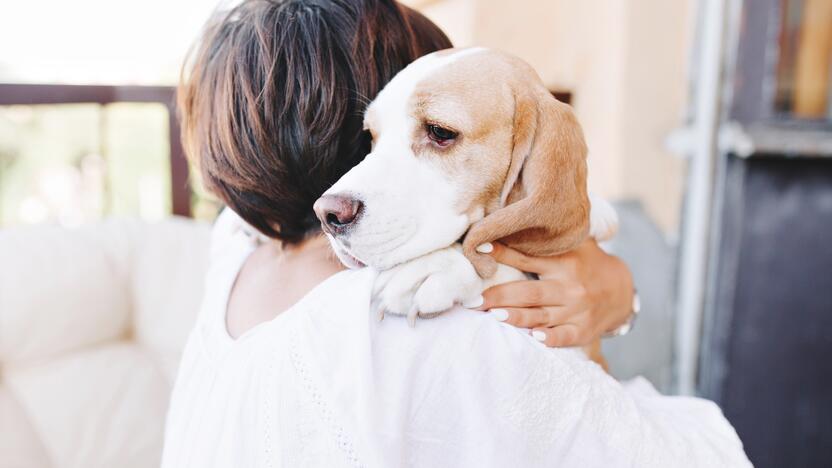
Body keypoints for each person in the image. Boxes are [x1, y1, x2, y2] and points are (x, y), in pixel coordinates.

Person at [161, 1, 750, 466]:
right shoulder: (448, 333)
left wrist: (601, 276)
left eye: (437, 131)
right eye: (376, 138)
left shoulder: (235, 247)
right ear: (352, 136)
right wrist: (615, 291)